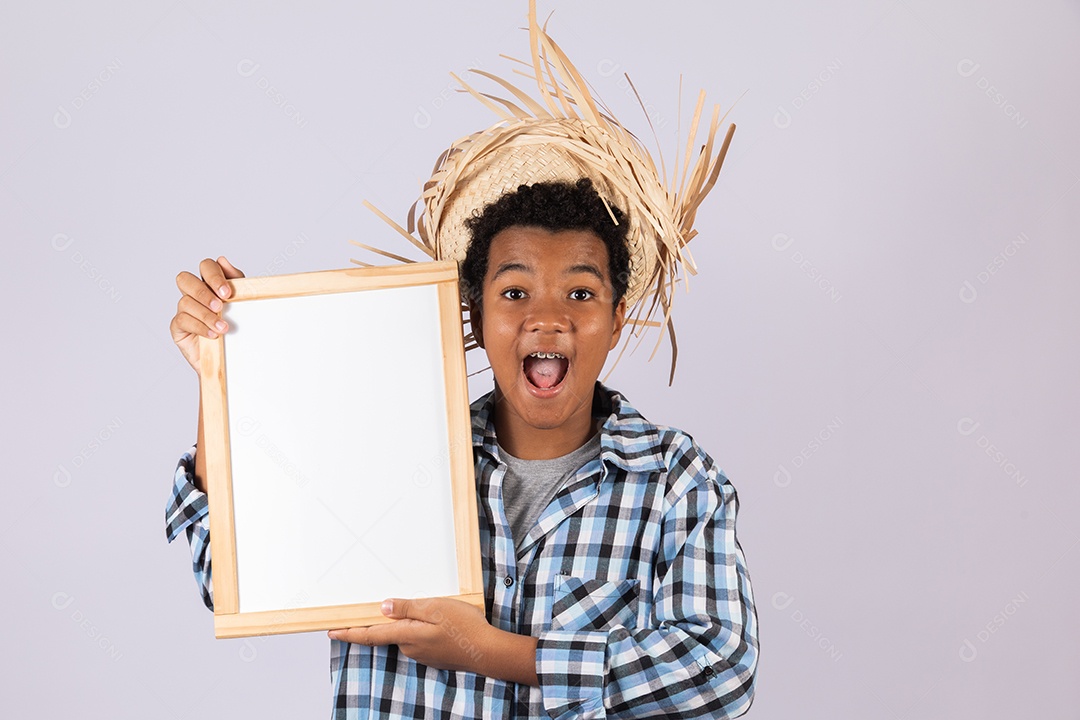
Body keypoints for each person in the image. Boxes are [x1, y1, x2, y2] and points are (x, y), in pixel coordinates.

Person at [166, 4, 757, 718]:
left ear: (615, 320)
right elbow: (230, 574)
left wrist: (497, 653)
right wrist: (217, 373)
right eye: (515, 291)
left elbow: (720, 671)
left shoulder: (675, 484)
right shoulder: (390, 448)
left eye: (580, 291)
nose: (547, 316)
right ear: (475, 316)